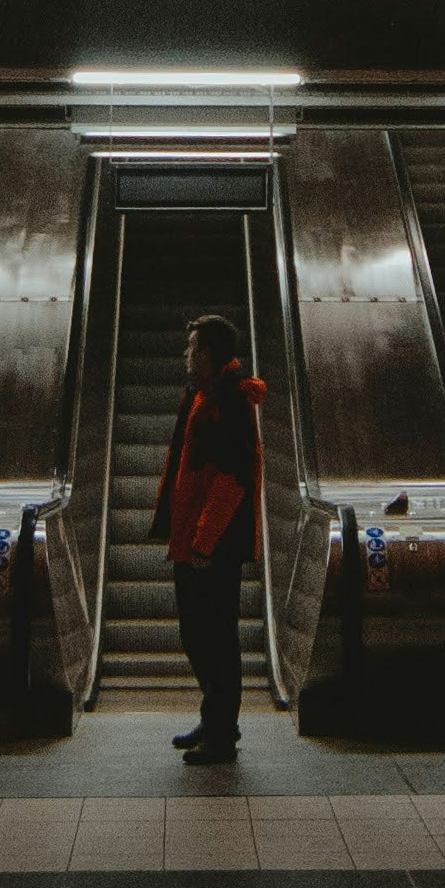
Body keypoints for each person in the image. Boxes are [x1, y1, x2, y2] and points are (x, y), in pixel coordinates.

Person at [153, 312, 266, 766]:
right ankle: (213, 717)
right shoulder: (201, 394)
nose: (187, 355)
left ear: (211, 352)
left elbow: (232, 479)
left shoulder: (230, 399)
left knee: (216, 637)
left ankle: (222, 732)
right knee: (196, 633)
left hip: (213, 546)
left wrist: (204, 541)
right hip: (193, 540)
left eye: (193, 347)